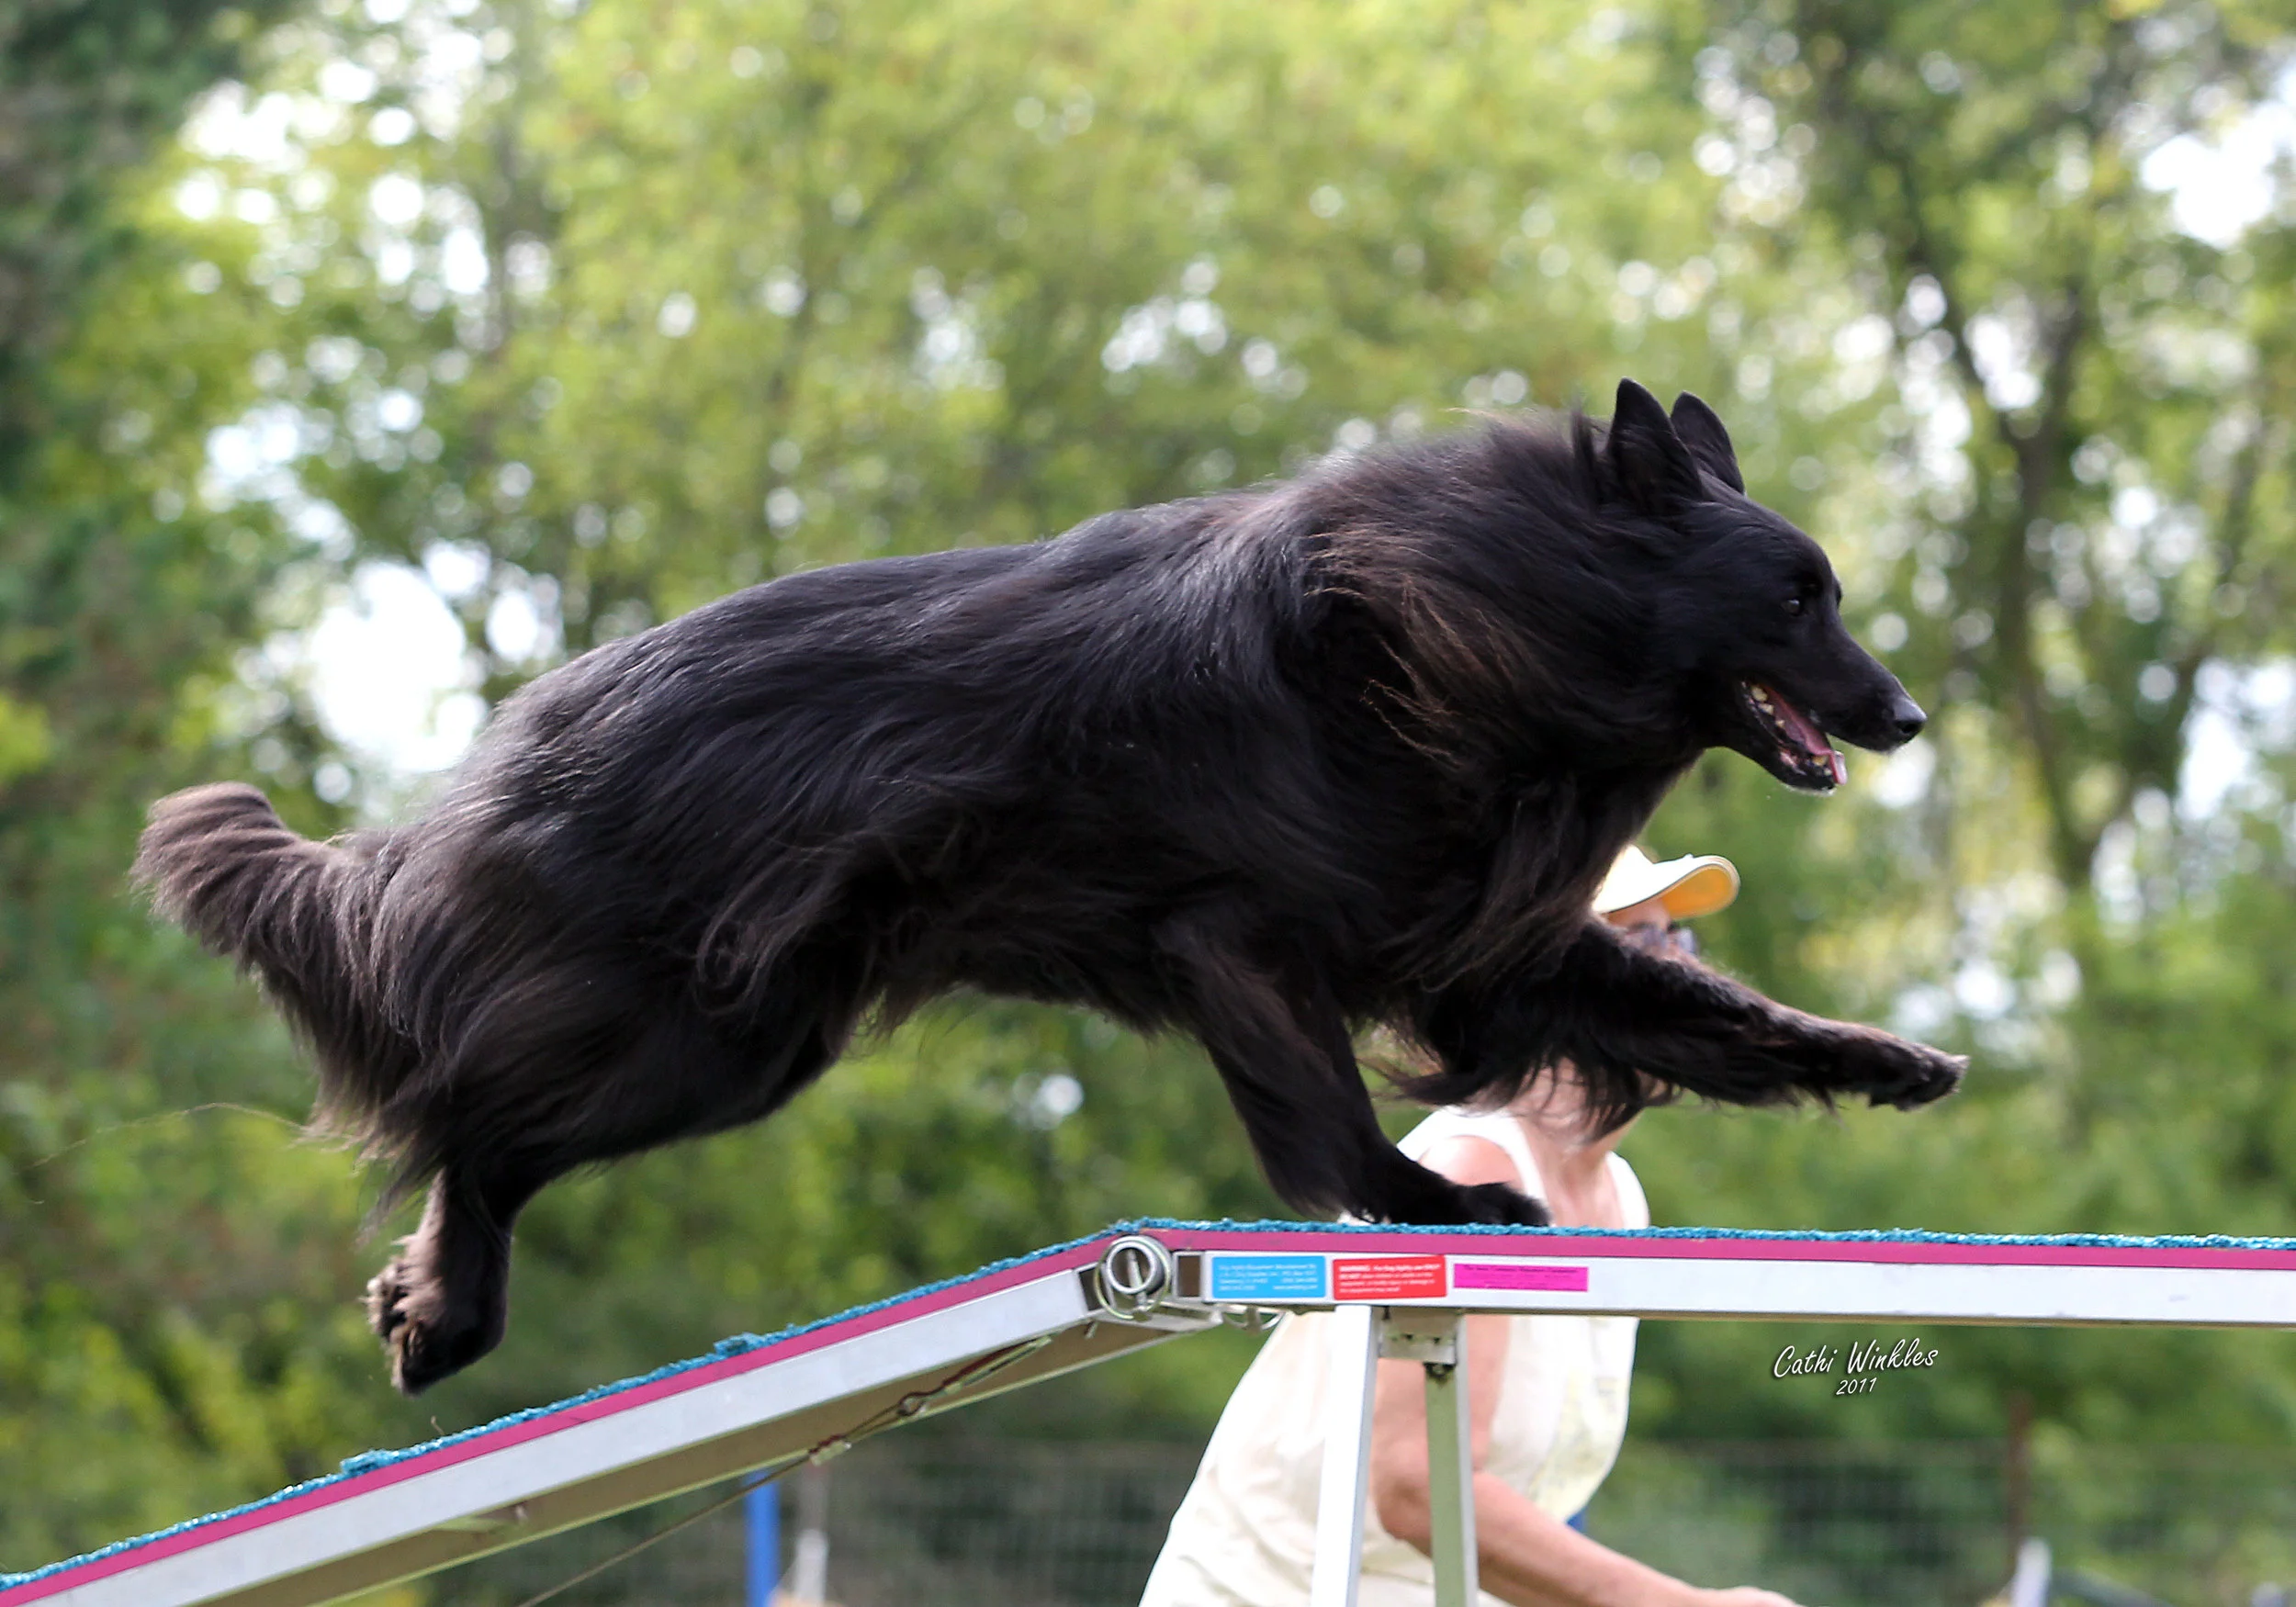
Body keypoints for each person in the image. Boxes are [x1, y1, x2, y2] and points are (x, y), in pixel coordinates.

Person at [1140, 846, 1804, 1607]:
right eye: (1641, 945)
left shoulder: (1618, 1195)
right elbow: (1417, 1485)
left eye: (1678, 941)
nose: (1686, 975)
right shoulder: (1474, 1173)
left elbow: (1532, 1501)